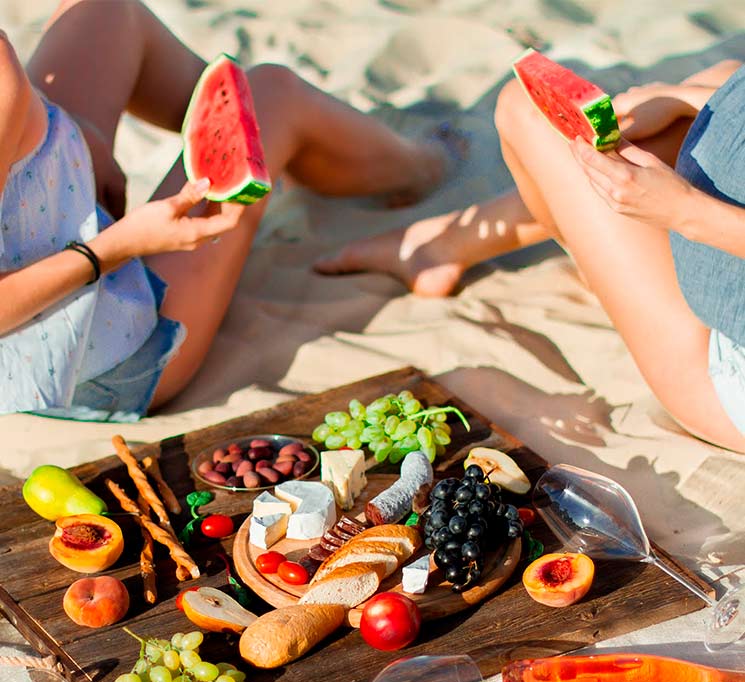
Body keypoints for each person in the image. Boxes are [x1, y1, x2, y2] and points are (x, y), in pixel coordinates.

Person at [0, 0, 458, 422]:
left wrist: (69, 136)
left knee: (106, 10)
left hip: (56, 233)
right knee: (272, 94)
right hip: (95, 365)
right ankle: (418, 168)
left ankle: (279, 151)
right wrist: (119, 246)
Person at [315, 58, 745, 452]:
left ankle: (450, 247)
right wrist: (695, 99)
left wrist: (684, 211)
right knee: (717, 84)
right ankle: (448, 245)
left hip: (724, 373)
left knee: (526, 111)